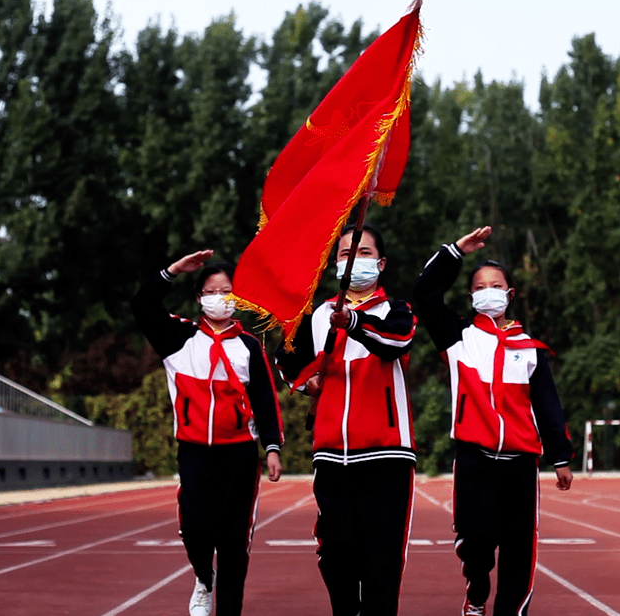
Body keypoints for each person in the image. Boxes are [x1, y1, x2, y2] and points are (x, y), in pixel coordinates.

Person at [412, 226, 574, 616]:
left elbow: (548, 406)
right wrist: (456, 252)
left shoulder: (530, 350)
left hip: (520, 464)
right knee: (478, 538)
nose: (489, 290)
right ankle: (477, 592)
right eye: (480, 286)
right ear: (472, 297)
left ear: (509, 295)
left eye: (496, 285)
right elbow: (422, 294)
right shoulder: (458, 338)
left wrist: (561, 456)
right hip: (475, 462)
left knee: (520, 550)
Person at [131, 250, 284, 616]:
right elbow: (142, 306)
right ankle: (203, 577)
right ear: (200, 298)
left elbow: (265, 400)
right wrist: (172, 271)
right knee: (195, 527)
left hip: (240, 455)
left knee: (234, 541)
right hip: (195, 450)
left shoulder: (248, 346)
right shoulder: (178, 337)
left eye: (227, 291)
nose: (220, 298)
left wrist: (273, 446)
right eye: (212, 291)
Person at [275, 222, 417, 616]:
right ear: (335, 266)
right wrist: (307, 381)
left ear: (382, 263)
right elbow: (285, 357)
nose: (354, 261)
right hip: (332, 455)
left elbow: (397, 343)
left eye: (364, 253)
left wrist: (353, 323)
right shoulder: (319, 315)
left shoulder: (396, 311)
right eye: (344, 254)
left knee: (382, 558)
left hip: (387, 453)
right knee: (335, 553)